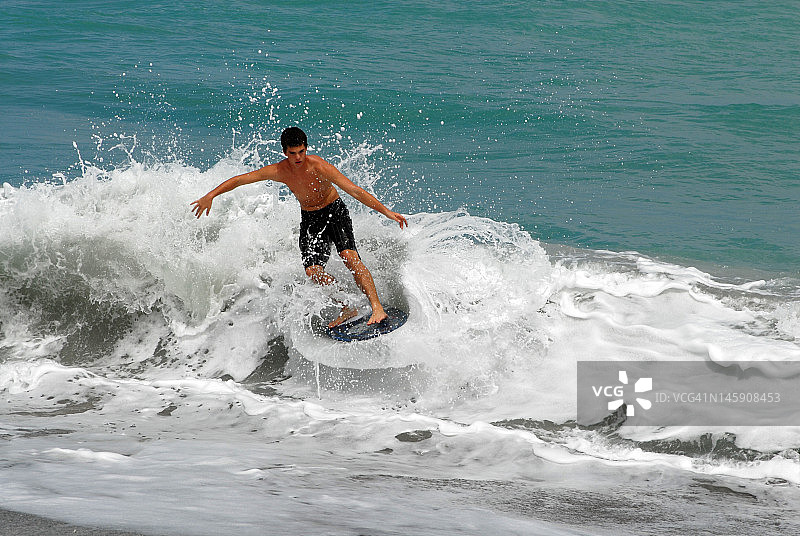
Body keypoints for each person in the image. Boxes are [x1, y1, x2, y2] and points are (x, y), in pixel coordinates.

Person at [191, 127, 407, 328]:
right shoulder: (279, 171)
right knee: (313, 271)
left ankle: (377, 308)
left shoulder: (319, 166)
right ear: (285, 152)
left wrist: (387, 212)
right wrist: (210, 195)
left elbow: (354, 190)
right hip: (310, 219)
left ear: (306, 148)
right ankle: (347, 305)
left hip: (334, 212)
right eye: (293, 153)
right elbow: (241, 180)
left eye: (302, 151)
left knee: (350, 257)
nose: (298, 158)